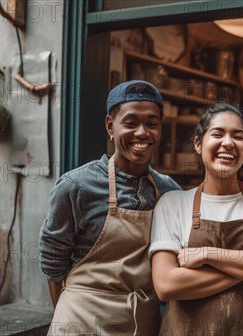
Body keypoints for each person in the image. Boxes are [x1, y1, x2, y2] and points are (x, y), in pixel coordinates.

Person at [39, 80, 181, 335]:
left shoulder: (169, 192)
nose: (142, 133)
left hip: (142, 324)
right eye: (130, 123)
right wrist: (68, 317)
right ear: (110, 126)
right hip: (81, 323)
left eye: (152, 123)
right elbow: (53, 265)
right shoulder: (77, 186)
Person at [150, 103, 243, 336]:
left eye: (238, 137)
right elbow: (167, 285)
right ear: (198, 144)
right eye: (217, 134)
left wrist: (210, 255)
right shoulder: (173, 203)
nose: (228, 142)